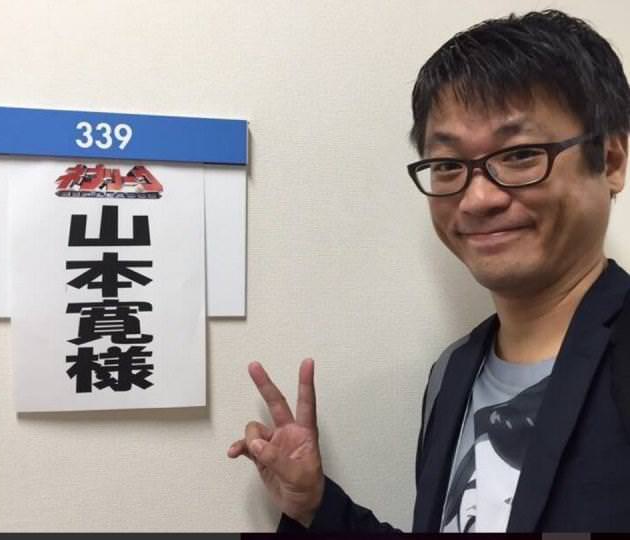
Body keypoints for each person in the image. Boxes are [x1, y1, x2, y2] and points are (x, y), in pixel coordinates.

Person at [228, 9, 630, 532]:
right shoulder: (453, 372)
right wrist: (314, 505)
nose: (478, 198)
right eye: (447, 165)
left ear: (611, 160)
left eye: (520, 155)